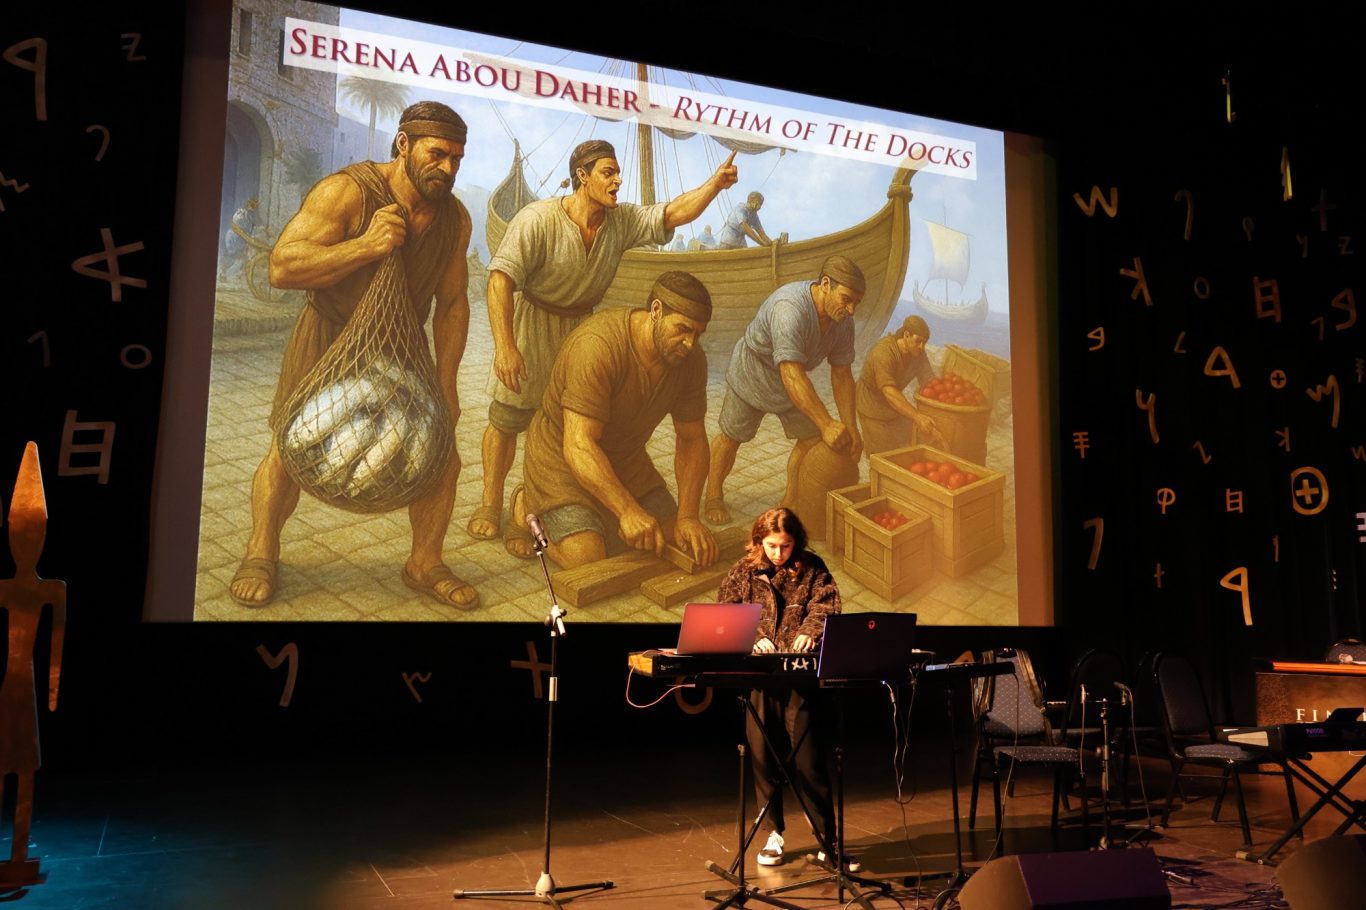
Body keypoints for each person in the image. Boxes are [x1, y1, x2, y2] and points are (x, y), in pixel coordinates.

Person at [229, 101, 477, 609]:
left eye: (456, 159)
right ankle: (261, 552)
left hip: (401, 347)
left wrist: (448, 385)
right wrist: (365, 246)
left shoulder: (455, 219)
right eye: (437, 154)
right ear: (404, 144)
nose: (447, 168)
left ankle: (425, 562)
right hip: (328, 336)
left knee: (442, 457)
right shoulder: (347, 191)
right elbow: (283, 267)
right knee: (287, 449)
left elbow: (453, 304)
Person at [469, 140, 739, 556]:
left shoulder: (621, 221)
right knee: (508, 416)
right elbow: (500, 280)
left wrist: (715, 185)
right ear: (582, 176)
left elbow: (673, 212)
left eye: (617, 173)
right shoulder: (537, 219)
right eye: (608, 173)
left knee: (581, 424)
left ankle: (568, 501)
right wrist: (506, 346)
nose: (617, 181)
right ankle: (493, 501)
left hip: (582, 326)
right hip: (533, 324)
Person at [516, 271, 718, 570]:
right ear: (656, 310)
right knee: (587, 558)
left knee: (674, 537)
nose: (690, 343)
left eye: (698, 334)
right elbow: (579, 445)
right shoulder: (596, 345)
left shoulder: (690, 360)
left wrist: (688, 516)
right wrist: (626, 510)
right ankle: (525, 507)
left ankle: (603, 518)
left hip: (625, 460)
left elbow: (692, 439)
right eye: (683, 329)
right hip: (561, 458)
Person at [716, 507, 850, 870]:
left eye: (785, 546)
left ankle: (827, 837)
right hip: (760, 677)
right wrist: (752, 637)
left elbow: (826, 606)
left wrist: (810, 632)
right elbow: (726, 613)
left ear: (796, 542)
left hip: (800, 677)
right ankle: (773, 833)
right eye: (772, 545)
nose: (778, 553)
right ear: (760, 541)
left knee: (809, 757)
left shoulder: (813, 568)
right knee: (763, 756)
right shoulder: (743, 571)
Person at [704, 256, 865, 524]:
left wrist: (851, 427)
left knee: (811, 439)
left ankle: (790, 502)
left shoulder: (843, 321)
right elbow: (790, 371)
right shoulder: (789, 307)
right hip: (754, 371)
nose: (851, 310)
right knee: (731, 437)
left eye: (856, 303)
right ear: (826, 284)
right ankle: (712, 496)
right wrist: (826, 423)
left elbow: (842, 374)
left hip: (793, 380)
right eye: (846, 299)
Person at [856, 315, 944, 458]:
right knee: (884, 456)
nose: (922, 347)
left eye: (924, 343)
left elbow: (929, 381)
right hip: (871, 407)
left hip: (894, 407)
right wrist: (917, 416)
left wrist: (946, 394)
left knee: (917, 440)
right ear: (906, 335)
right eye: (918, 341)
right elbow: (889, 392)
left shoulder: (918, 353)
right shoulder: (883, 352)